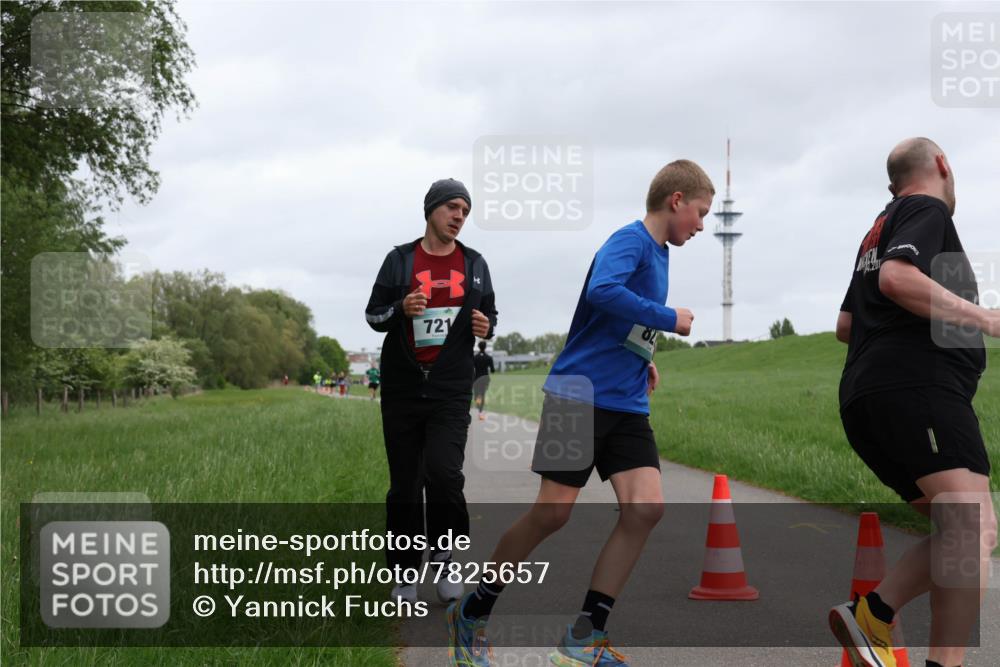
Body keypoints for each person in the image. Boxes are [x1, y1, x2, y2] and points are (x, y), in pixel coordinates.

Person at [446, 160, 710, 667]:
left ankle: (582, 639)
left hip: (626, 402)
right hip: (577, 395)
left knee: (645, 508)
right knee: (553, 513)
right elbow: (603, 293)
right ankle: (472, 612)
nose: (700, 225)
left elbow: (618, 320)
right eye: (699, 213)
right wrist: (667, 318)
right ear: (676, 199)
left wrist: (645, 356)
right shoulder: (629, 240)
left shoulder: (659, 253)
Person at [828, 137, 998, 667]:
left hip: (868, 396)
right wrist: (988, 319)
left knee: (961, 537)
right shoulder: (926, 208)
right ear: (942, 165)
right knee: (976, 529)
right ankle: (874, 614)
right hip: (918, 389)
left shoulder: (877, 229)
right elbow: (897, 278)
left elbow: (845, 326)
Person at [365, 178, 498, 607]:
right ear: (432, 210)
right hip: (403, 388)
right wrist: (400, 308)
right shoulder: (399, 261)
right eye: (453, 208)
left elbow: (489, 313)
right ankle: (405, 570)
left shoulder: (475, 264)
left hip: (449, 388)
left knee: (444, 474)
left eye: (466, 210)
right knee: (405, 485)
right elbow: (373, 315)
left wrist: (487, 326)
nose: (460, 216)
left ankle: (445, 554)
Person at [472, 341, 494, 420]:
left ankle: (479, 409)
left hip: (476, 378)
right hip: (485, 379)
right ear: (485, 347)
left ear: (478, 347)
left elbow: (471, 368)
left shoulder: (474, 357)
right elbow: (492, 370)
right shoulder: (489, 358)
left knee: (477, 396)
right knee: (482, 394)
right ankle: (480, 412)